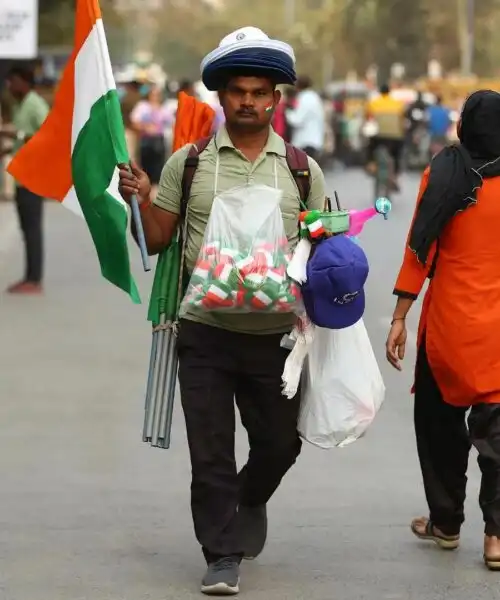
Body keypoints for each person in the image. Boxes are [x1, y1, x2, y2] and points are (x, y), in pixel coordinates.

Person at [118, 26, 326, 596]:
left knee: (280, 444)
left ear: (276, 100)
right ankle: (221, 552)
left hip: (276, 338)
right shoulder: (189, 164)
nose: (249, 101)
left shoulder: (303, 170)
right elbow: (159, 239)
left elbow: (324, 240)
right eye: (239, 91)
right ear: (222, 97)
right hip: (204, 332)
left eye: (261, 92)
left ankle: (249, 496)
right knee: (210, 450)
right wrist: (139, 197)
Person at [385, 90, 500, 571]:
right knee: (498, 434)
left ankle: (447, 523)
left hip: (449, 324)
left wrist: (399, 316)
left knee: (438, 425)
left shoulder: (446, 171)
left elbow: (421, 246)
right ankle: (497, 539)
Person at [0, 64, 49, 294]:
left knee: (32, 229)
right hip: (23, 175)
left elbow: (48, 136)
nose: (10, 86)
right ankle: (30, 275)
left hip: (34, 176)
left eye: (13, 82)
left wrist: (16, 134)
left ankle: (34, 278)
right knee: (26, 228)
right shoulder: (20, 105)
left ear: (25, 82)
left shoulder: (34, 104)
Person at [130, 85, 171, 195]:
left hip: (159, 141)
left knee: (158, 169)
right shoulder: (142, 106)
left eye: (157, 94)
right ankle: (145, 191)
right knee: (146, 168)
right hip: (146, 141)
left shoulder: (163, 108)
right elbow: (134, 122)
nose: (155, 96)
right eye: (153, 94)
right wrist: (145, 127)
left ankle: (154, 192)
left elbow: (170, 123)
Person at [365, 83, 406, 187]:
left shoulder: (373, 103)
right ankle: (395, 174)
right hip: (394, 137)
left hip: (378, 136)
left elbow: (368, 119)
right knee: (397, 153)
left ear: (380, 92)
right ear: (389, 92)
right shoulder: (398, 104)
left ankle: (371, 164)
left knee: (370, 146)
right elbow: (402, 120)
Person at [285, 75, 325, 161]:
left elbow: (296, 120)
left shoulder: (304, 98)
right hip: (315, 141)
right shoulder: (315, 97)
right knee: (310, 171)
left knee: (302, 172)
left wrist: (286, 112)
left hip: (305, 142)